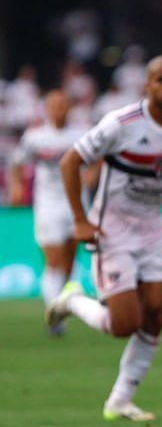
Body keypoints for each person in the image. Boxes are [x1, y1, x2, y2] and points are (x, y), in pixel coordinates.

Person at [46, 55, 162, 421]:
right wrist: (80, 220)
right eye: (161, 80)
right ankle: (73, 299)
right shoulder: (120, 123)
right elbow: (70, 162)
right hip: (110, 230)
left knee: (156, 315)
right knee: (124, 325)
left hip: (151, 230)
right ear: (147, 85)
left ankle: (120, 399)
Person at [10, 90, 94, 335]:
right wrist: (17, 185)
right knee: (54, 261)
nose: (58, 110)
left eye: (63, 105)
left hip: (75, 203)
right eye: (54, 106)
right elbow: (17, 162)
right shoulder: (36, 137)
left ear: (69, 108)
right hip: (47, 204)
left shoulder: (81, 135)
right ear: (47, 109)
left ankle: (62, 305)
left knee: (69, 262)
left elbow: (100, 158)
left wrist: (91, 175)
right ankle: (55, 317)